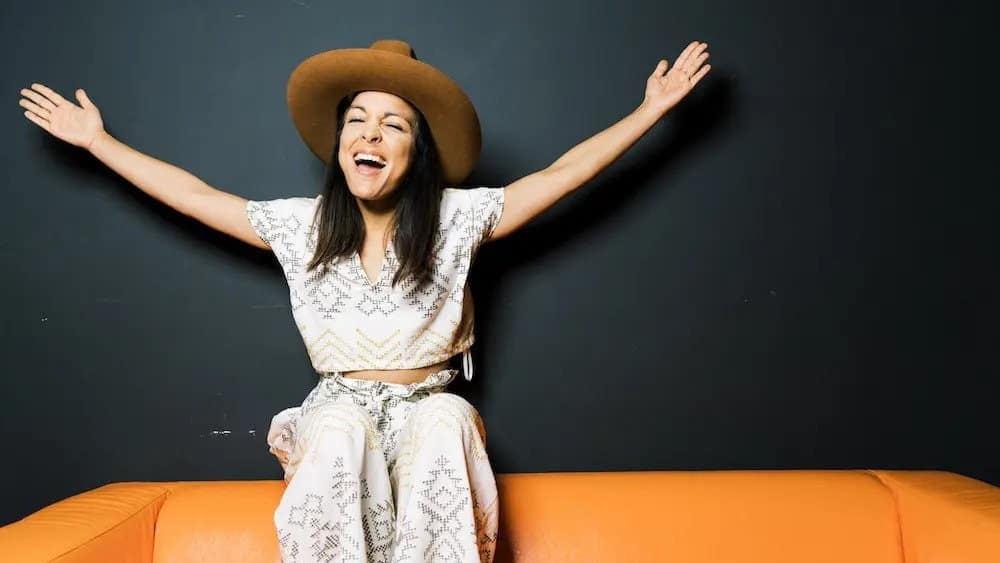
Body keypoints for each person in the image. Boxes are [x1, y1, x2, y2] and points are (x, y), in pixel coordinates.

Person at [18, 38, 710, 563]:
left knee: (444, 421)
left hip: (426, 410)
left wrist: (648, 112)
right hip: (341, 410)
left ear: (419, 151)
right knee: (341, 430)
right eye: (357, 120)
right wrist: (99, 143)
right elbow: (197, 197)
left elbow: (562, 175)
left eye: (393, 124)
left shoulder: (457, 218)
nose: (370, 135)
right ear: (340, 143)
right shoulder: (301, 226)